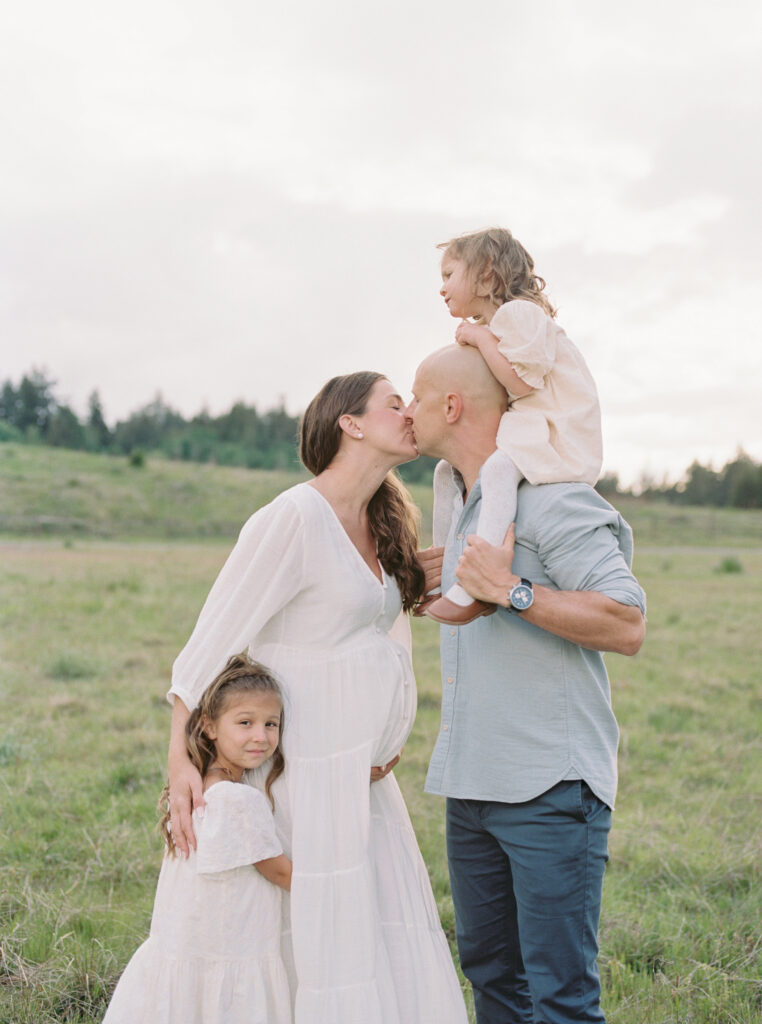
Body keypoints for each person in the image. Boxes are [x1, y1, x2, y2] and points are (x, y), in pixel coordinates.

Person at [167, 372, 469, 1024]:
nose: (410, 412)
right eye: (395, 403)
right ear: (350, 424)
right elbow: (207, 647)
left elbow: (363, 629)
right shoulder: (292, 518)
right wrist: (181, 761)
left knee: (366, 933)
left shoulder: (381, 522)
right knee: (305, 931)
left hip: (359, 774)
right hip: (298, 766)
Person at [408, 345, 646, 1024]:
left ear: (452, 406)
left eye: (416, 395)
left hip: (548, 788)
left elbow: (627, 621)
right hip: (471, 784)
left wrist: (512, 591)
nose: (406, 407)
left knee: (561, 995)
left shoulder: (553, 499)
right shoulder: (461, 502)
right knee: (491, 976)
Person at [424, 226, 603, 626]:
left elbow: (522, 383)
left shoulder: (517, 314)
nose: (442, 288)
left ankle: (476, 582)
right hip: (532, 424)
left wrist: (481, 339)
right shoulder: (503, 322)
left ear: (486, 275)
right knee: (444, 472)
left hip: (556, 431)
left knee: (499, 470)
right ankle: (444, 570)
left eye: (449, 275)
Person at [103, 654, 292, 1024]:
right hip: (230, 946)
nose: (262, 736)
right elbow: (281, 873)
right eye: (245, 722)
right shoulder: (238, 801)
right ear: (209, 726)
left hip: (187, 942)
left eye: (272, 723)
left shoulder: (196, 789)